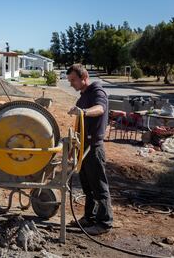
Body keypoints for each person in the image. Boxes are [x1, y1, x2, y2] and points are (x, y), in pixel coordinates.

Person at [66, 64, 113, 235]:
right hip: (82, 148)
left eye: (73, 80)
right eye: (69, 81)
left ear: (84, 77)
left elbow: (100, 109)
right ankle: (89, 217)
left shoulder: (97, 92)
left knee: (99, 186)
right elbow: (79, 124)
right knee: (87, 187)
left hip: (94, 148)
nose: (71, 84)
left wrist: (83, 112)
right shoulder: (82, 97)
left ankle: (104, 223)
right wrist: (73, 147)